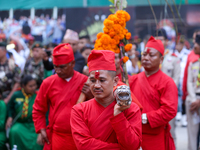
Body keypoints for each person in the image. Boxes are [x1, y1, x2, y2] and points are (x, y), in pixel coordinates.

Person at [71, 50, 142, 150]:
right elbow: (84, 146)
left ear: (115, 81)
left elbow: (133, 146)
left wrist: (118, 115)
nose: (96, 85)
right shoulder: (79, 110)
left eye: (102, 80)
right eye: (92, 80)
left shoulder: (131, 109)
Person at [32, 43, 88, 150]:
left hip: (80, 137)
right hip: (57, 137)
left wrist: (90, 95)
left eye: (62, 67)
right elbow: (38, 109)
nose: (58, 71)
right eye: (55, 67)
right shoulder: (48, 82)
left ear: (73, 63)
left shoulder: (85, 82)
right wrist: (41, 128)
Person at [129, 36, 177, 150]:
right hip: (134, 135)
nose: (146, 58)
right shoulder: (133, 79)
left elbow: (170, 110)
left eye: (151, 55)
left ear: (161, 60)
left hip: (155, 136)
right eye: (144, 54)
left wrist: (144, 118)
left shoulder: (167, 82)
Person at [155, 29, 180, 144]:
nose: (159, 42)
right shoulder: (151, 57)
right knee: (155, 131)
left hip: (168, 100)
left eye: (162, 40)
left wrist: (165, 92)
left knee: (171, 130)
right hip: (154, 100)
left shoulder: (173, 58)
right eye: (157, 40)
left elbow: (176, 79)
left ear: (167, 41)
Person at [6, 75, 42, 150]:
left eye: (35, 85)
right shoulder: (17, 94)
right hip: (21, 123)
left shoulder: (38, 95)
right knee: (14, 131)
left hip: (34, 124)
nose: (33, 88)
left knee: (39, 136)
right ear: (23, 86)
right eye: (30, 86)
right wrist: (10, 116)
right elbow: (10, 106)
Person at [186, 34, 200, 150]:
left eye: (196, 43)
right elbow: (189, 82)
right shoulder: (193, 63)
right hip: (192, 101)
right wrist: (194, 99)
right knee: (192, 134)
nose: (194, 46)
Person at [174, 35, 190, 125]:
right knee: (176, 96)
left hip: (185, 78)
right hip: (176, 78)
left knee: (184, 97)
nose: (178, 45)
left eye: (180, 43)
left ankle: (184, 115)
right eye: (177, 44)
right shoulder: (172, 54)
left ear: (183, 44)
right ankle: (178, 113)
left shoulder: (188, 54)